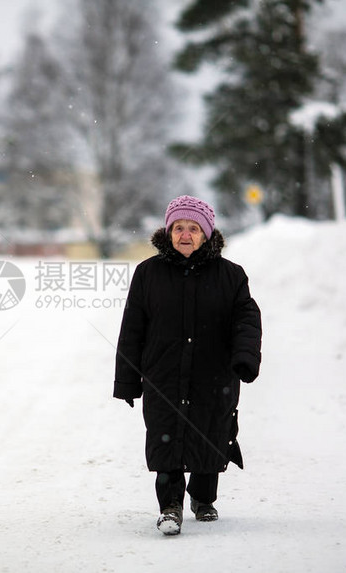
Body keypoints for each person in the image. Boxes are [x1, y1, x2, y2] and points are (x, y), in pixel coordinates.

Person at [114, 195, 262, 536]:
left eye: (193, 228)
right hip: (162, 374)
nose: (185, 234)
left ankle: (203, 497)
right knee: (165, 438)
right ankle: (170, 507)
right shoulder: (148, 273)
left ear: (207, 234)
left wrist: (245, 356)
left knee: (211, 434)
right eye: (178, 227)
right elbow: (133, 328)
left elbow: (247, 319)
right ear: (168, 232)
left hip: (214, 374)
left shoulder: (231, 276)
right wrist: (127, 380)